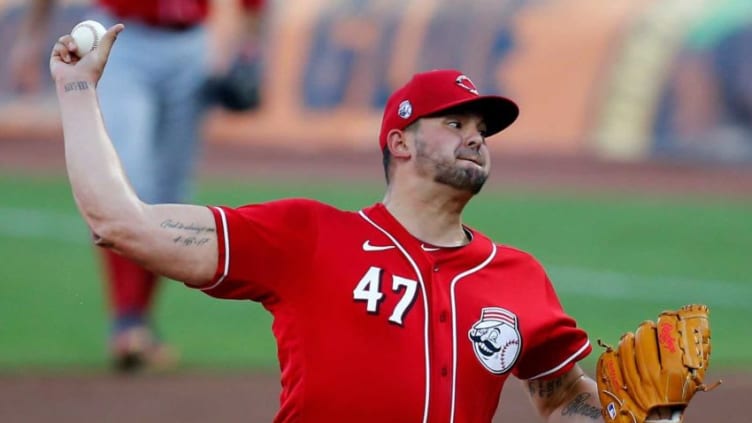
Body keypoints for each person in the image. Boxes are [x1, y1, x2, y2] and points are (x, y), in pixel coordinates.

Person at [49, 24, 692, 422]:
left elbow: (558, 397)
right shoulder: (307, 237)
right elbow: (120, 222)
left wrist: (631, 416)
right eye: (455, 123)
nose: (476, 139)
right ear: (401, 143)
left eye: (482, 129)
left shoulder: (518, 277)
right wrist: (77, 90)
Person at [10, 0, 266, 372]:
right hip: (120, 38)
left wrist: (246, 52)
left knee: (168, 194)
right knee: (127, 177)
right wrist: (32, 36)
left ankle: (137, 322)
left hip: (192, 45)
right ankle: (127, 320)